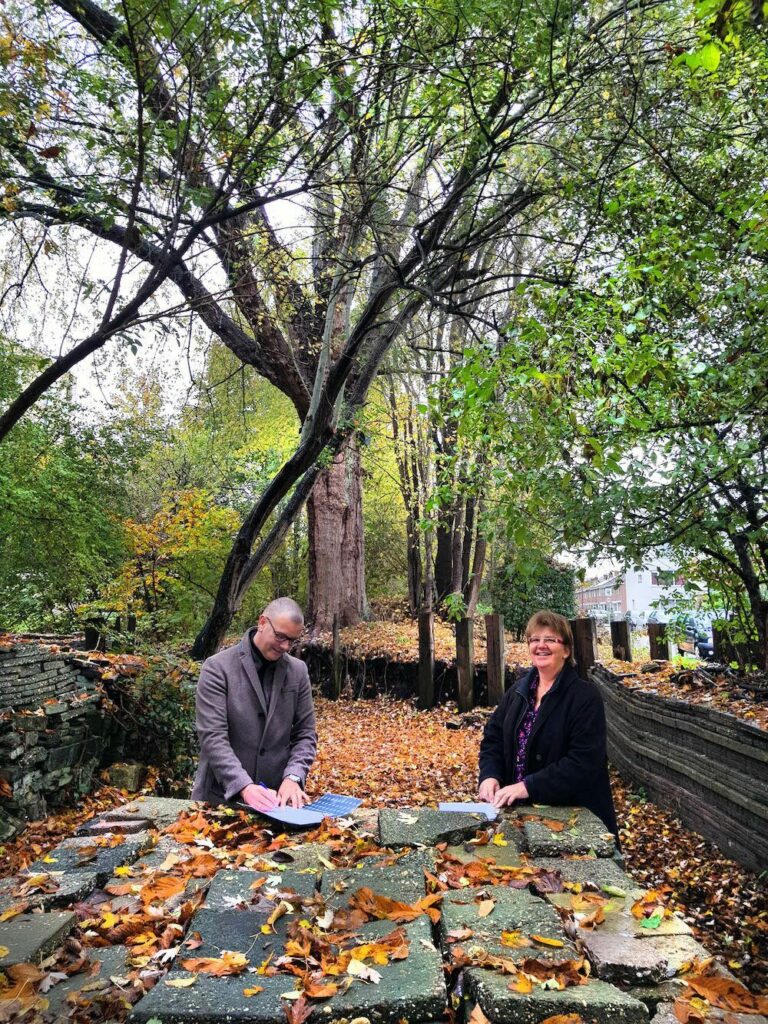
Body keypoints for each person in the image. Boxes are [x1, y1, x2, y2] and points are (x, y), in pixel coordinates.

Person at [477, 610, 618, 836]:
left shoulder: (584, 697)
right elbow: (493, 738)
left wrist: (528, 786)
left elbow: (583, 763)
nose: (540, 645)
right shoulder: (518, 691)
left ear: (566, 650)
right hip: (521, 817)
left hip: (573, 819)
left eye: (550, 640)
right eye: (535, 639)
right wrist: (490, 775)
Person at [191, 598, 317, 812]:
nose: (285, 646)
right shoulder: (217, 668)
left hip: (275, 802)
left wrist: (293, 776)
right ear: (262, 622)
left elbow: (306, 733)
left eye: (292, 641)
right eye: (280, 637)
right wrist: (243, 785)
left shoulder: (298, 671)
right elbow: (213, 737)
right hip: (218, 799)